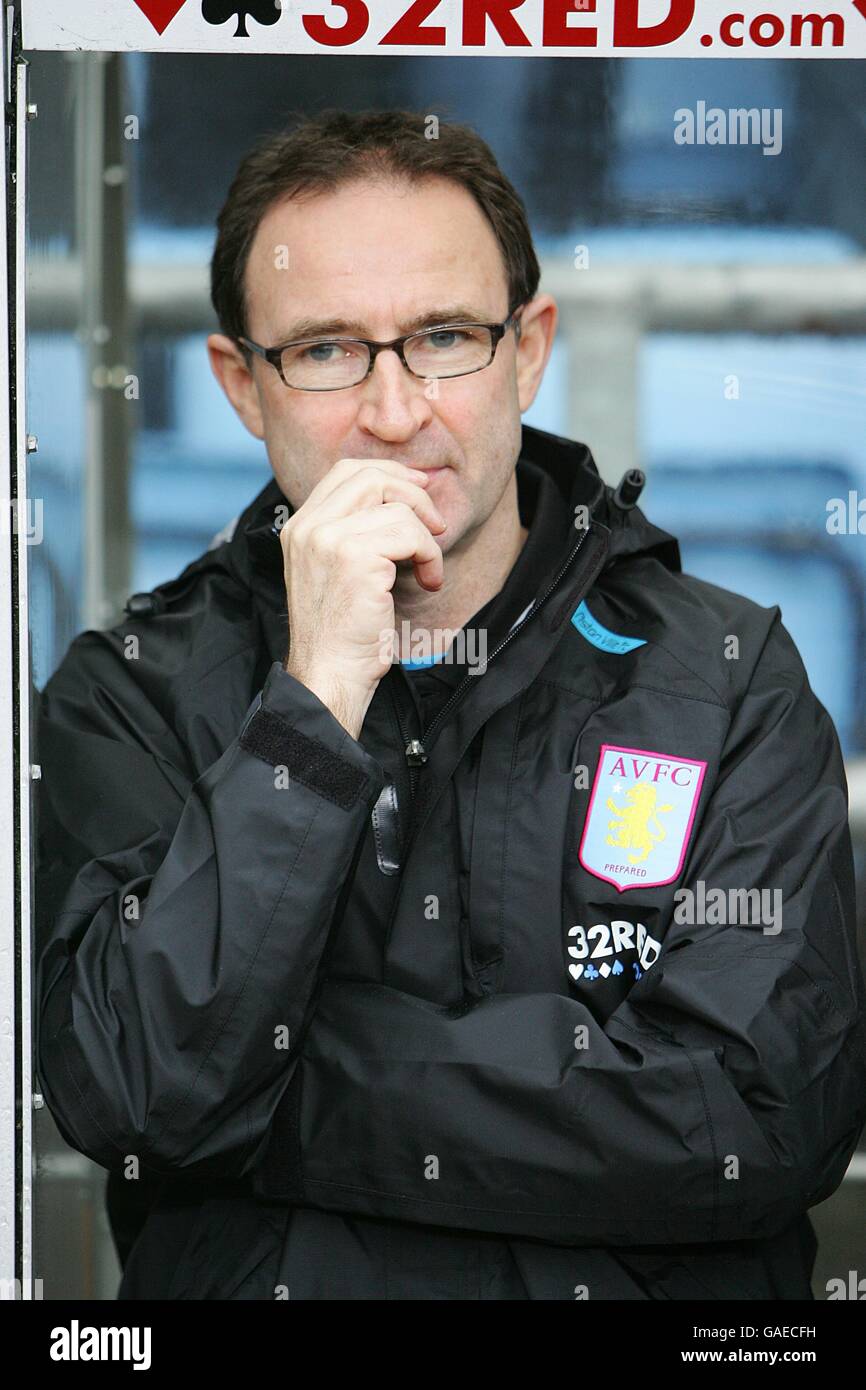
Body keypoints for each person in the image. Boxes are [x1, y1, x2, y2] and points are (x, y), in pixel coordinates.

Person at [34, 108, 866, 1301]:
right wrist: (312, 699)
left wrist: (261, 1088)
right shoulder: (132, 689)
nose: (391, 410)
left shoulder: (724, 673)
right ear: (239, 383)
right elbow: (133, 1091)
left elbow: (753, 1120)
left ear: (528, 349)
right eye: (324, 349)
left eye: (441, 338)